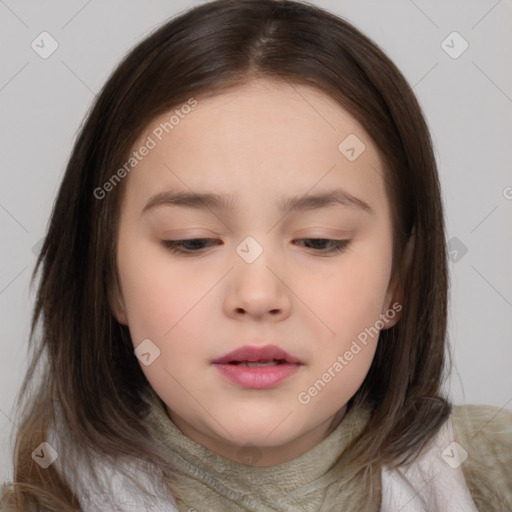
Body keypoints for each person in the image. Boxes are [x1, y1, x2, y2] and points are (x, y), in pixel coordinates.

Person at [1, 0, 510, 510]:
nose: (258, 295)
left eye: (320, 241)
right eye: (192, 241)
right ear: (110, 279)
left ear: (400, 277)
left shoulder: (492, 476)